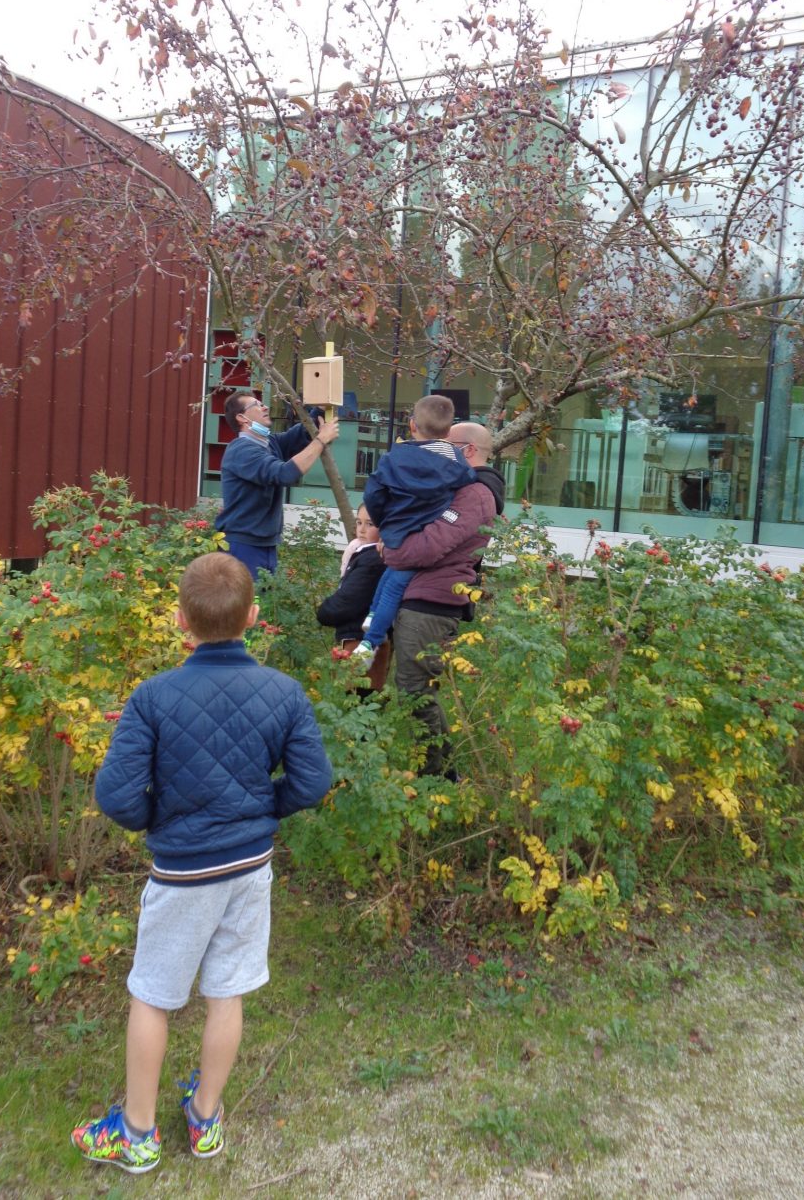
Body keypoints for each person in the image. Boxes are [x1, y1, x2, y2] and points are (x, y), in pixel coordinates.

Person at [71, 552, 332, 1175]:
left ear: (180, 620)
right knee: (227, 991)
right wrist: (261, 808)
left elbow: (116, 795)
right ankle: (205, 1118)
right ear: (254, 616)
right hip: (250, 866)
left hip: (183, 870)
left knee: (152, 994)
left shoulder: (153, 696)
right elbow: (313, 781)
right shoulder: (284, 692)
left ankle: (137, 1134)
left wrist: (159, 821)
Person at [382, 422, 503, 775]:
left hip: (432, 603)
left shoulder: (476, 494)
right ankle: (442, 773)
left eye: (447, 446)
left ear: (469, 450)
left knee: (415, 690)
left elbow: (430, 545)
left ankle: (435, 777)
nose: (440, 454)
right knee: (417, 688)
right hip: (425, 596)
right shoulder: (463, 487)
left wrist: (390, 551)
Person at [352, 394, 478, 658]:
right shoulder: (457, 463)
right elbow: (468, 484)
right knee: (394, 584)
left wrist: (386, 523)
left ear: (412, 425)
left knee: (390, 577)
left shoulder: (393, 458)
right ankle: (371, 635)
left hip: (396, 532)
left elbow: (373, 495)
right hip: (422, 536)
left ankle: (371, 628)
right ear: (449, 430)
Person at [215, 392, 339, 580]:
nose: (265, 407)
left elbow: (301, 433)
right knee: (245, 598)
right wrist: (320, 440)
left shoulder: (269, 444)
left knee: (263, 598)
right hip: (243, 546)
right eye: (257, 405)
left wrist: (321, 407)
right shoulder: (241, 450)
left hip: (266, 545)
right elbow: (285, 474)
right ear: (242, 418)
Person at [315, 503, 391, 689]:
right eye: (359, 522)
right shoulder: (363, 552)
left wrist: (324, 611)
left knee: (359, 693)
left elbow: (350, 599)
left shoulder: (374, 559)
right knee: (357, 692)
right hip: (358, 634)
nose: (362, 529)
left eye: (370, 524)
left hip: (361, 636)